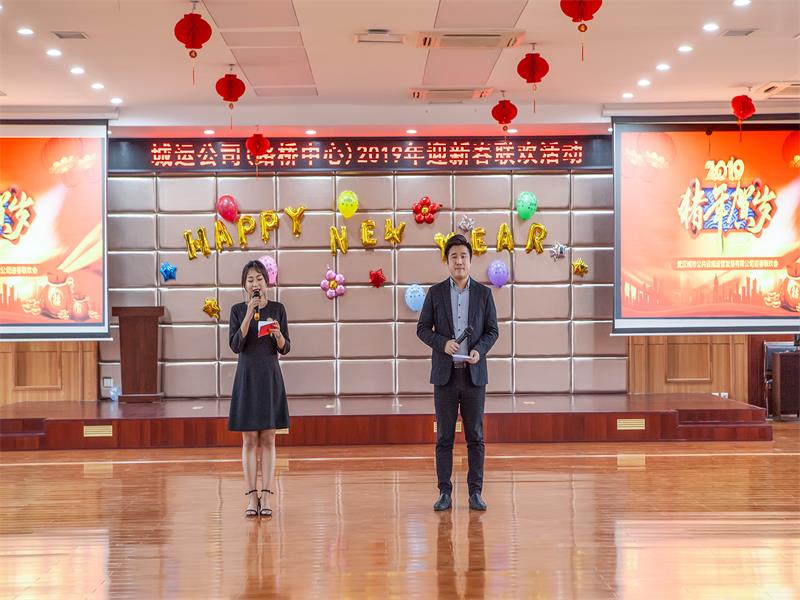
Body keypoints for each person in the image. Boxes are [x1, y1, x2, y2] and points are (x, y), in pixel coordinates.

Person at [416, 234, 499, 512]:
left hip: (474, 376)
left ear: (470, 260)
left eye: (463, 256)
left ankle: (475, 493)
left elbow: (492, 331)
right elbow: (422, 329)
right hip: (446, 376)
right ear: (447, 261)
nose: (459, 261)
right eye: (454, 257)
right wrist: (442, 343)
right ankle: (444, 493)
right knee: (444, 438)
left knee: (475, 436)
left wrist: (479, 350)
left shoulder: (484, 294)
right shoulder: (436, 293)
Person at [229, 260, 290, 517]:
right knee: (249, 439)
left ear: (267, 282)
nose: (256, 283)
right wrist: (248, 314)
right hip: (247, 377)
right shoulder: (237, 310)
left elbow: (285, 347)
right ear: (245, 285)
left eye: (259, 278)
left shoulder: (278, 309)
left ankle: (266, 496)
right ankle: (251, 497)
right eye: (251, 279)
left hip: (269, 376)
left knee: (269, 438)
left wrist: (277, 334)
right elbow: (235, 345)